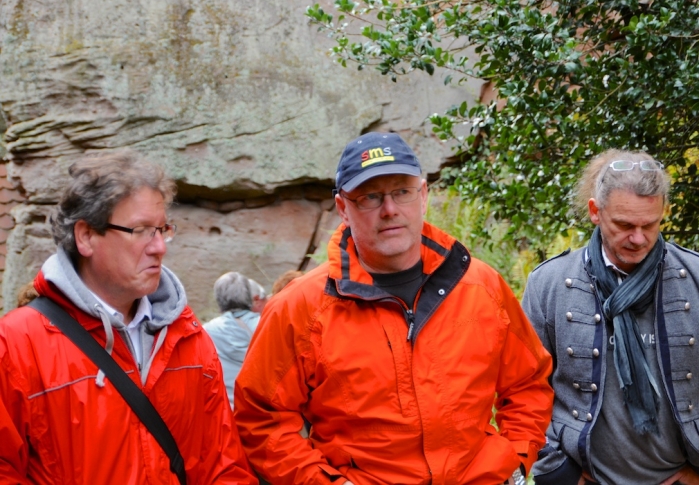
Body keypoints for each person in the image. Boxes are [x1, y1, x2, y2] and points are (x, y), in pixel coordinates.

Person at [235, 132, 554, 485]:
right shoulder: (299, 309)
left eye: (402, 191)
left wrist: (516, 460)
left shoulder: (482, 286)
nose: (389, 210)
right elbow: (261, 420)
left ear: (423, 195)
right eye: (370, 197)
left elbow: (529, 383)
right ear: (342, 208)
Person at [0, 151, 257, 484]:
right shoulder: (16, 346)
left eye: (162, 229)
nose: (159, 247)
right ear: (86, 236)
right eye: (141, 230)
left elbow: (224, 466)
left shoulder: (187, 337)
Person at [522, 149, 699, 485]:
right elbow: (526, 388)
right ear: (595, 211)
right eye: (624, 225)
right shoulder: (549, 284)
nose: (639, 239)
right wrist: (557, 470)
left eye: (649, 224)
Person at [204, 271, 268, 406]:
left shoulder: (207, 332)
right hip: (262, 409)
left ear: (219, 300)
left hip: (225, 409)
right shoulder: (266, 324)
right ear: (249, 296)